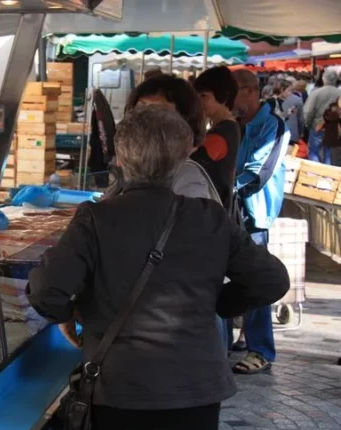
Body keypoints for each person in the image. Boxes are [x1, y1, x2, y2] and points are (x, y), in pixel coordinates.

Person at [27, 105, 289, 430]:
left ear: (121, 158)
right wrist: (215, 303)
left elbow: (45, 291)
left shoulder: (96, 218)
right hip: (195, 388)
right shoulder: (209, 217)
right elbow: (271, 280)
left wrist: (73, 314)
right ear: (183, 157)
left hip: (123, 389)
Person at [230, 68, 291, 374]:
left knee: (255, 280)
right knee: (226, 277)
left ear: (251, 91)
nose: (230, 98)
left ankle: (261, 349)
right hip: (229, 211)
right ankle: (235, 339)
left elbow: (260, 171)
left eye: (234, 91)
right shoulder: (233, 124)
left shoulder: (273, 125)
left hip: (254, 215)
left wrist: (227, 188)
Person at [109, 75, 221, 203]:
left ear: (184, 123)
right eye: (140, 109)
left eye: (158, 112)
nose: (144, 119)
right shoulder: (133, 167)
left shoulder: (187, 177)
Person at [193, 66, 242, 211]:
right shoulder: (229, 126)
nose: (199, 102)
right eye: (198, 97)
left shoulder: (222, 132)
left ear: (224, 97)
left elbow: (194, 163)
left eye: (204, 97)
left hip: (213, 210)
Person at [304, 69, 341, 164]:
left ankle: (314, 172)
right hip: (333, 127)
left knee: (313, 151)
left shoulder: (316, 93)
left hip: (317, 126)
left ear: (324, 79)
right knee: (328, 152)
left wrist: (307, 124)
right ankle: (326, 174)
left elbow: (308, 111)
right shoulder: (339, 93)